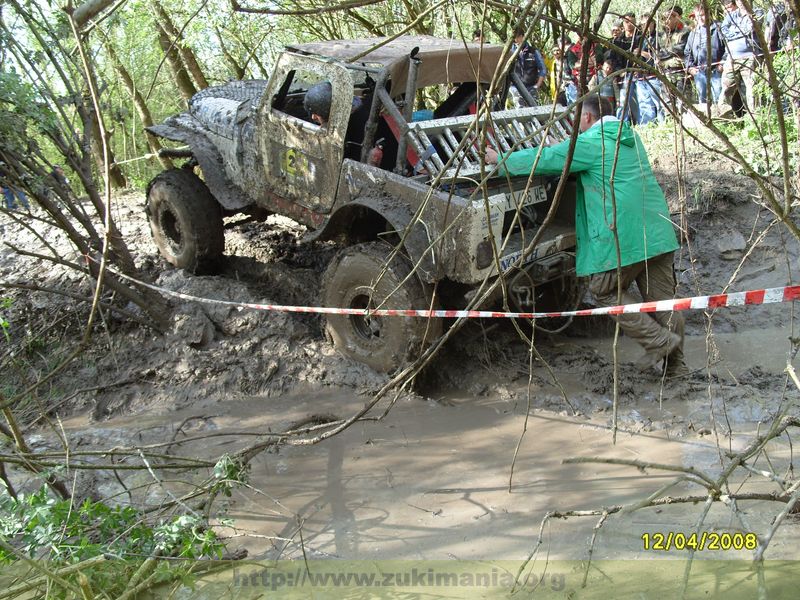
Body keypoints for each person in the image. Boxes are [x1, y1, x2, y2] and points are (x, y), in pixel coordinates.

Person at [485, 95, 687, 376]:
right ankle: (677, 366)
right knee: (664, 302)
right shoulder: (628, 138)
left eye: (577, 119)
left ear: (588, 118)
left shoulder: (590, 143)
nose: (575, 126)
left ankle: (658, 341)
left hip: (624, 235)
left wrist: (501, 160)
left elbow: (544, 158)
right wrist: (568, 150)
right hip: (656, 231)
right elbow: (580, 158)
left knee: (603, 292)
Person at [719, 0, 761, 114]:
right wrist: (738, 33)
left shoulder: (756, 13)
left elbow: (749, 30)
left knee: (752, 89)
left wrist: (734, 32)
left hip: (749, 57)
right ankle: (723, 116)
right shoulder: (731, 15)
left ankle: (755, 116)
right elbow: (723, 31)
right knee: (726, 89)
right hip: (732, 58)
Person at [684, 3, 724, 104]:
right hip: (700, 72)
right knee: (703, 101)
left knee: (719, 99)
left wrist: (722, 64)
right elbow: (687, 53)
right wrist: (690, 68)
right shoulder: (693, 32)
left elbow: (728, 48)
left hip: (716, 70)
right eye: (698, 16)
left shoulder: (718, 28)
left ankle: (721, 119)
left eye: (702, 15)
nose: (700, 18)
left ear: (708, 14)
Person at [510, 27, 547, 104]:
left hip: (531, 87)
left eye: (518, 37)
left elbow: (542, 69)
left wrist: (537, 85)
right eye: (514, 38)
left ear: (523, 37)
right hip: (516, 88)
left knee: (534, 111)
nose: (516, 40)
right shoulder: (510, 52)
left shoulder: (533, 51)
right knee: (519, 112)